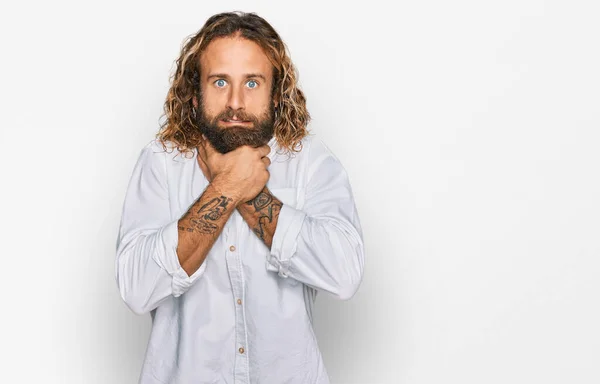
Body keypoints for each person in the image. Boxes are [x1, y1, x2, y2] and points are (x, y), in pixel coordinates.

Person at [115, 11, 365, 384]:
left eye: (252, 83)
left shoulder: (309, 160)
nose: (235, 102)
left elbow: (344, 274)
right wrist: (227, 187)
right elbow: (136, 288)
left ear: (276, 94)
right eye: (219, 82)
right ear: (195, 95)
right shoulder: (161, 162)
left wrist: (247, 190)